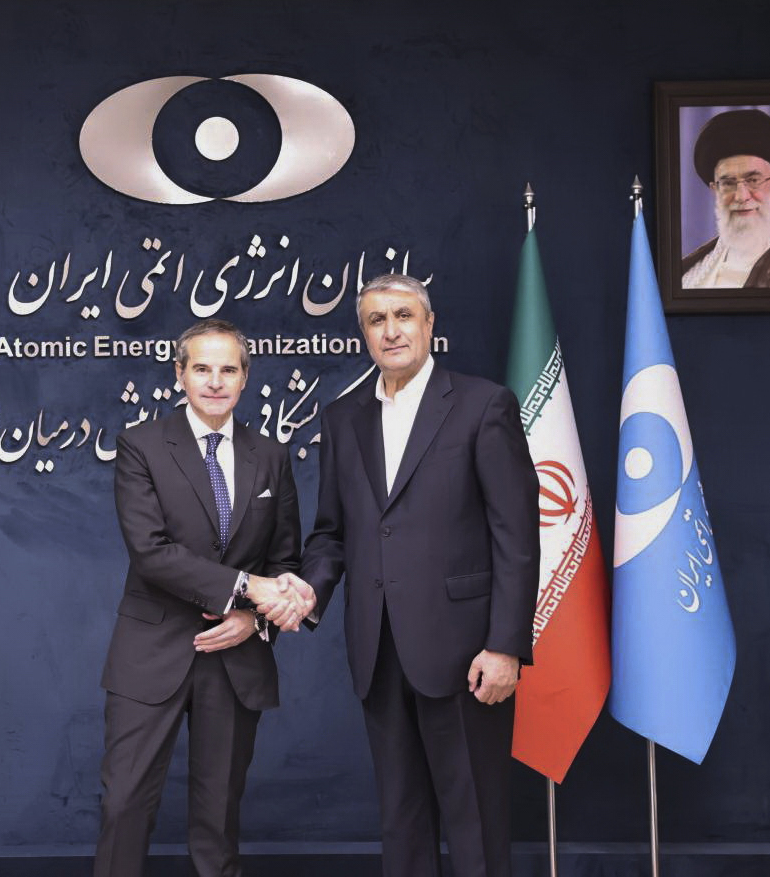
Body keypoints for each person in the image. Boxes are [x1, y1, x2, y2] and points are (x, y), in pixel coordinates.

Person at [299, 274, 539, 877]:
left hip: (466, 652)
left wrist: (505, 645)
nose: (391, 330)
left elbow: (516, 534)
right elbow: (331, 533)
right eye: (376, 321)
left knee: (474, 820)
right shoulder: (342, 417)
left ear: (429, 325)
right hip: (377, 650)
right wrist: (305, 591)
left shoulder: (485, 405)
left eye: (403, 316)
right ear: (364, 335)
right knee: (401, 821)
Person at [95, 319, 312, 877]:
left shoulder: (271, 456)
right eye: (202, 369)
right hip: (152, 652)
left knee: (218, 822)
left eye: (228, 369)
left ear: (244, 378)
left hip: (235, 659)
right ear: (180, 375)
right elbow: (150, 552)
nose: (215, 382)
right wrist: (244, 588)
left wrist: (253, 620)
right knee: (124, 806)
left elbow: (284, 561)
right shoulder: (140, 444)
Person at [681, 108, 770, 289]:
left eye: (753, 180)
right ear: (715, 190)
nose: (741, 196)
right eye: (728, 183)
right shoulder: (689, 271)